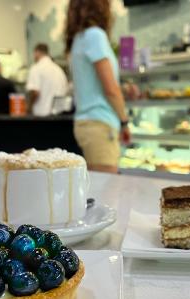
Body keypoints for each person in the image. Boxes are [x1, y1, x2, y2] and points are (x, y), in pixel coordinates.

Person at [65, 0, 130, 174]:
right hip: (100, 125)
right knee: (106, 192)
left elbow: (94, 85)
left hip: (88, 124)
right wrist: (124, 121)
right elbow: (110, 89)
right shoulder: (95, 35)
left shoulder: (79, 39)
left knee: (98, 190)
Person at [26, 44, 69, 117]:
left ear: (37, 52)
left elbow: (35, 92)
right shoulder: (59, 70)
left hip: (42, 116)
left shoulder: (36, 68)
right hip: (59, 117)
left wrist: (28, 108)